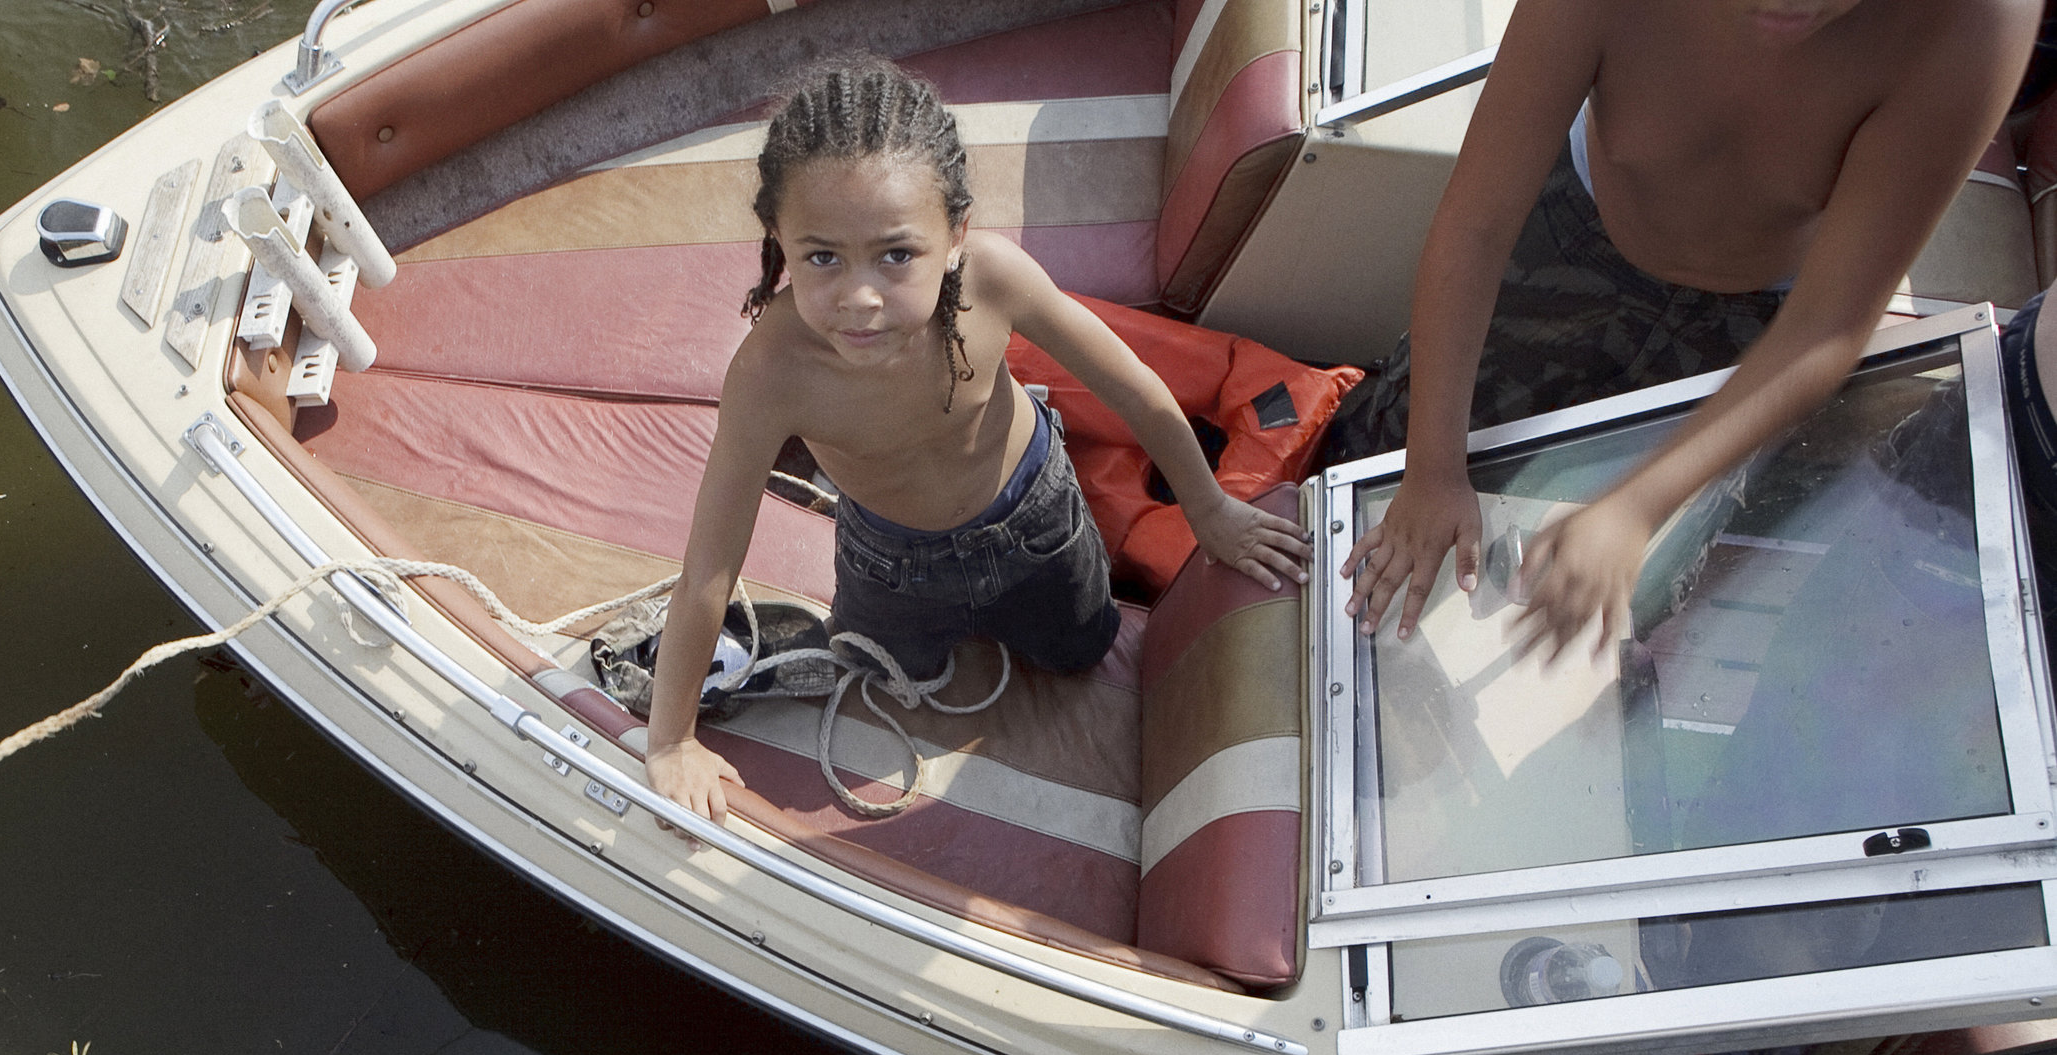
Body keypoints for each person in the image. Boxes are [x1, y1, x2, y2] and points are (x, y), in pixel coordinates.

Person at [643, 55, 1313, 823]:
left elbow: (1132, 386)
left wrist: (1211, 512)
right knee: (884, 668)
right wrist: (670, 740)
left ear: (956, 234)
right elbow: (708, 568)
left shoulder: (992, 280)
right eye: (822, 257)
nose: (861, 297)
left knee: (1080, 651)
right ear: (780, 242)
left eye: (898, 254)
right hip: (887, 559)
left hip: (1035, 523)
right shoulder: (769, 370)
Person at [1329, 0, 2037, 657]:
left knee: (1650, 585)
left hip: (1761, 331)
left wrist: (1635, 510)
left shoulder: (1979, 22)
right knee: (1395, 444)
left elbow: (1827, 324)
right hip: (1571, 234)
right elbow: (1477, 225)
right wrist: (1429, 471)